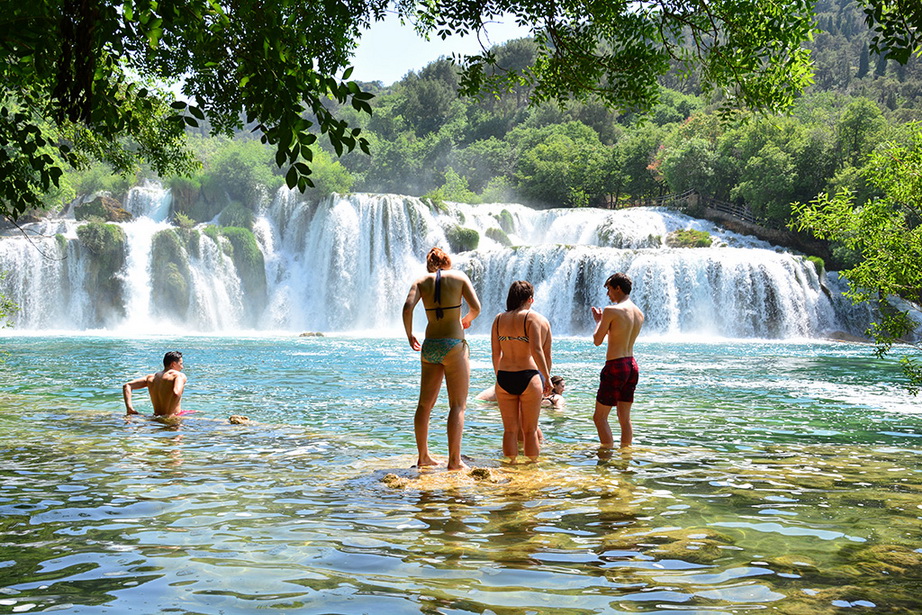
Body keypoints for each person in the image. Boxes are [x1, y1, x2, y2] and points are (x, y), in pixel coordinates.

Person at [403, 247, 481, 470]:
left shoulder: (420, 281)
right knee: (457, 405)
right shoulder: (458, 277)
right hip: (453, 345)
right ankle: (454, 461)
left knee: (424, 405)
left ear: (429, 264)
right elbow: (476, 307)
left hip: (430, 346)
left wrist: (410, 334)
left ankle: (423, 457)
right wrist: (467, 319)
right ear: (448, 261)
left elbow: (407, 308)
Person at [490, 280, 552, 463]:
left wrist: (499, 376)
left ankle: (510, 466)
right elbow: (539, 351)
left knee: (509, 430)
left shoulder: (499, 318)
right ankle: (532, 467)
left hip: (504, 376)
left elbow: (495, 353)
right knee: (530, 430)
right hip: (528, 376)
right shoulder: (534, 318)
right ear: (530, 299)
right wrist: (547, 378)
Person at [591, 273, 644, 448]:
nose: (608, 294)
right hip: (632, 365)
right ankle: (625, 459)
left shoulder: (611, 311)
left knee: (599, 418)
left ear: (618, 288)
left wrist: (598, 321)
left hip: (616, 365)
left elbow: (597, 340)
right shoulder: (639, 313)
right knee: (624, 418)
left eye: (609, 289)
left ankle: (606, 459)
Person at [123, 351, 189, 417]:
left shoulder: (151, 377)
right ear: (173, 364)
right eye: (181, 364)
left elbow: (127, 385)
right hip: (173, 416)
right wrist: (170, 414)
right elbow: (176, 393)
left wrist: (129, 408)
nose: (182, 367)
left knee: (194, 412)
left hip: (156, 415)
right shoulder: (178, 376)